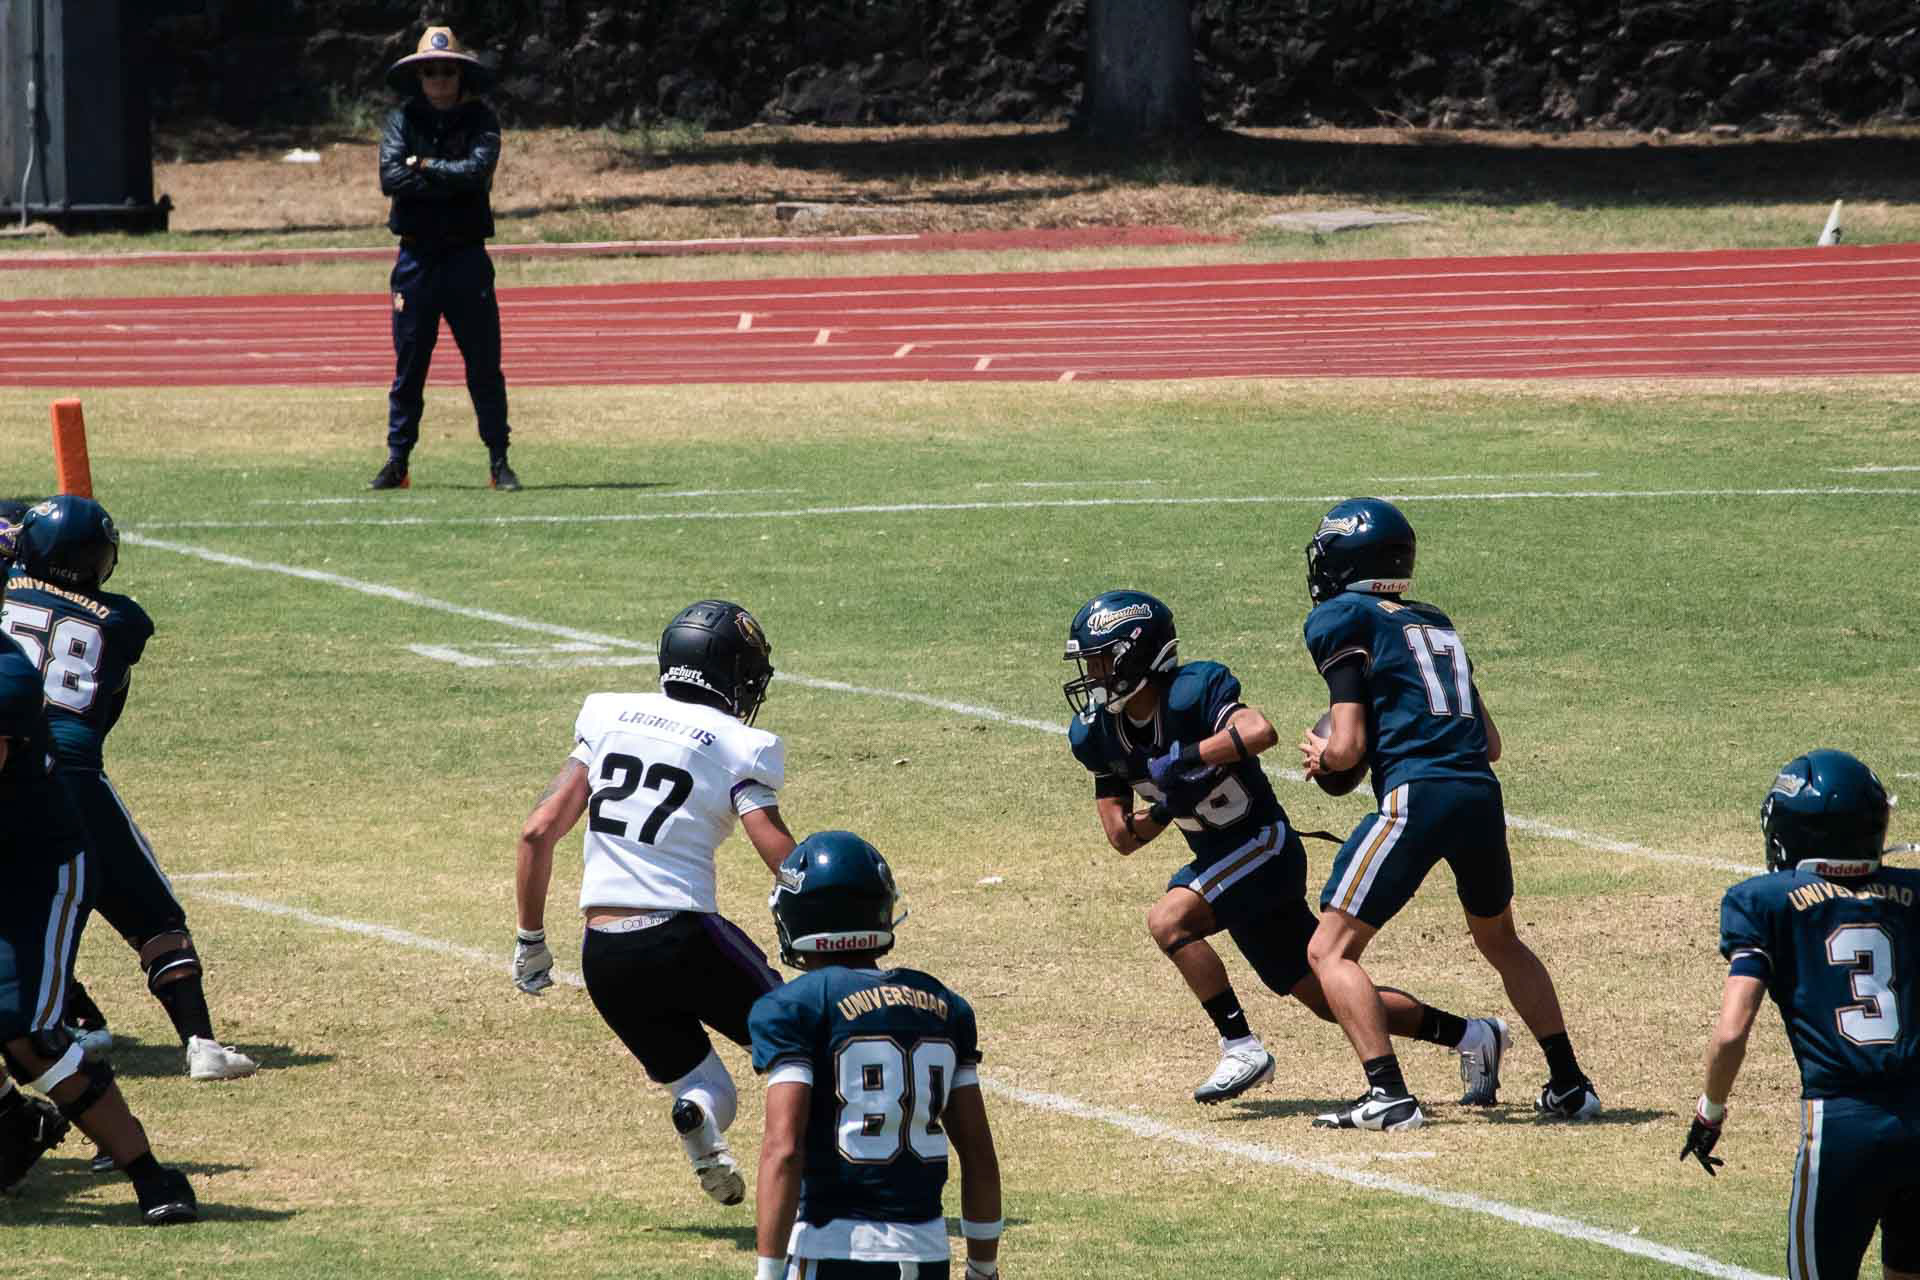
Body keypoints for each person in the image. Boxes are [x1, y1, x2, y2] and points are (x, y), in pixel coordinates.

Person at [1063, 589, 1504, 1118]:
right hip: (1221, 862)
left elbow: (1258, 730)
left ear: (1138, 655)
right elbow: (1121, 836)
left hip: (1262, 846)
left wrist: (1187, 758)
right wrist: (1164, 807)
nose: (1093, 675)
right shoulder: (1097, 734)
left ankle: (1240, 1046)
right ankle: (1473, 1035)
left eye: (1102, 661)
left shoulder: (1191, 692)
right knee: (1326, 999)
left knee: (1168, 920)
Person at [1298, 498, 1599, 1131]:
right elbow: (1490, 742)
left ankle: (1388, 1094)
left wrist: (1328, 756)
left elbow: (1347, 746)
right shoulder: (1435, 622)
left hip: (1418, 794)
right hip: (1479, 793)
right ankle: (1570, 1084)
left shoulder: (1339, 616)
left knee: (1329, 951)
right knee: (1501, 941)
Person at [512, 599, 794, 1205]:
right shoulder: (739, 744)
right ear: (731, 673)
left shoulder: (607, 716)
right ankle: (820, 1181)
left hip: (605, 954)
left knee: (705, 1087)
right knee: (797, 1043)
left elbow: (537, 831)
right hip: (681, 932)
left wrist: (531, 939)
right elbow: (778, 853)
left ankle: (701, 1130)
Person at [3, 497, 257, 1084]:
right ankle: (200, 1043)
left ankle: (66, 1020)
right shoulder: (122, 620)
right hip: (72, 775)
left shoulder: (7, 586)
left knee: (21, 910)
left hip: (10, 760)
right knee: (152, 914)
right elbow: (103, 711)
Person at [0, 516, 196, 1222]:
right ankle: (15, 1126)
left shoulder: (7, 675)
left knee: (27, 1035)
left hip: (31, 869)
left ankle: (151, 1175)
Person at [1682, 750, 1920, 1280]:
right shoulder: (1913, 894)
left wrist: (1709, 1112)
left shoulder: (1763, 901)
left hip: (1842, 1124)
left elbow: (1731, 1033)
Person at [752, 830, 1003, 1280]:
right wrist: (983, 1268)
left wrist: (767, 1273)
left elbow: (783, 1149)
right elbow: (978, 1154)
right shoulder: (945, 1006)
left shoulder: (795, 1005)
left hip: (833, 1253)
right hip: (926, 1256)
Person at [370, 26, 519, 494]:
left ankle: (499, 461)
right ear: (418, 77)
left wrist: (425, 165)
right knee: (409, 367)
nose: (439, 79)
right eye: (430, 71)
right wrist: (445, 180)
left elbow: (476, 173)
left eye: (447, 71)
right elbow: (391, 178)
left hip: (465, 258)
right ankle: (398, 461)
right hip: (415, 259)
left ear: (460, 75)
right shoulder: (402, 121)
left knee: (483, 366)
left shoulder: (482, 120)